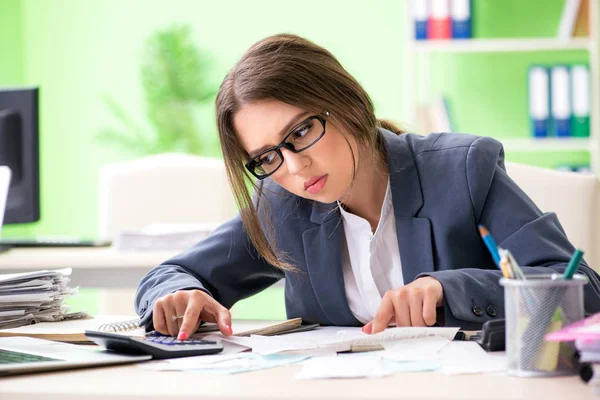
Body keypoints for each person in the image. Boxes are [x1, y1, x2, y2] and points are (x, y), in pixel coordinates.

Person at [135, 33, 600, 341]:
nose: (295, 168)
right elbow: (168, 276)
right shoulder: (282, 205)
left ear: (348, 102)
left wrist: (448, 289)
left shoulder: (462, 168)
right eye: (266, 157)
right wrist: (178, 296)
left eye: (300, 132)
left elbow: (580, 287)